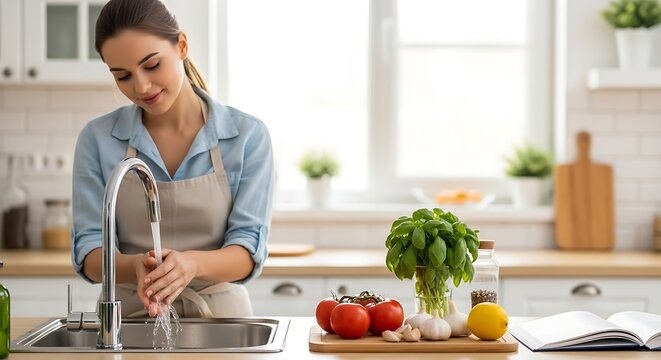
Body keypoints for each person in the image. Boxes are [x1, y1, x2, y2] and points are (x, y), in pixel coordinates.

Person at [71, 0, 273, 318]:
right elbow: (89, 253)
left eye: (151, 65)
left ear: (181, 45)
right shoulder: (97, 139)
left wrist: (192, 264)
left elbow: (248, 252)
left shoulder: (247, 136)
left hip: (222, 320)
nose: (141, 86)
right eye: (123, 76)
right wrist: (136, 266)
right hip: (129, 319)